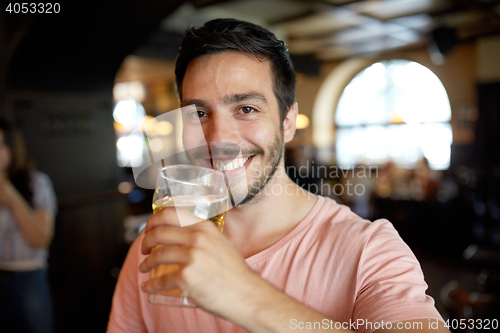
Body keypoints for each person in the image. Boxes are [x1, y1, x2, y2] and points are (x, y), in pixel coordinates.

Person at [107, 19, 449, 333]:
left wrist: (242, 294)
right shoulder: (157, 248)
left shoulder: (369, 251)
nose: (218, 139)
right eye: (199, 112)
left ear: (287, 122)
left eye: (246, 109)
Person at [0, 119, 57, 333]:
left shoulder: (36, 183)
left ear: (12, 148)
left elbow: (40, 239)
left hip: (27, 277)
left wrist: (14, 200)